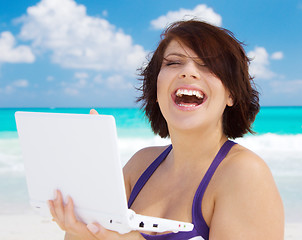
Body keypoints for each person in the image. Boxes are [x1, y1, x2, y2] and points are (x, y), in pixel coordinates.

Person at [48, 20, 284, 240]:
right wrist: (86, 201)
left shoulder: (244, 174)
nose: (188, 72)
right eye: (173, 62)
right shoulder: (140, 165)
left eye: (207, 65)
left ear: (231, 93)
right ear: (157, 88)